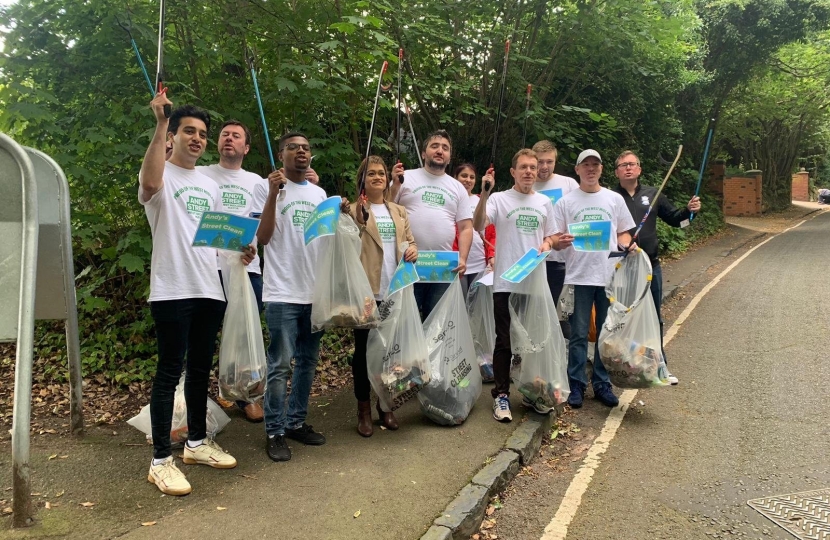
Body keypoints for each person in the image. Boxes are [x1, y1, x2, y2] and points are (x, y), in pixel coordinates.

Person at [139, 92, 244, 496]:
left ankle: (197, 444)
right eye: (189, 131)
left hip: (208, 286)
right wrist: (160, 123)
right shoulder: (161, 173)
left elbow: (215, 237)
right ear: (174, 136)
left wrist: (240, 248)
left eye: (202, 133)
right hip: (171, 288)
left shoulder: (207, 182)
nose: (198, 138)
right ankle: (161, 461)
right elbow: (149, 184)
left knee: (201, 370)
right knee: (169, 372)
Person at [255, 132, 330, 462]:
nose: (301, 151)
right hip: (282, 292)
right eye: (293, 148)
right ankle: (274, 431)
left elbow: (328, 241)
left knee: (307, 363)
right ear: (281, 154)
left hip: (315, 292)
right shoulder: (267, 187)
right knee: (281, 364)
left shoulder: (319, 193)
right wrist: (273, 194)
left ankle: (296, 421)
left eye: (306, 147)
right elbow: (263, 237)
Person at [473, 149, 557, 422]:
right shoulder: (499, 199)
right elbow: (477, 225)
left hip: (534, 283)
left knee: (534, 343)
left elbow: (550, 237)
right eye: (523, 167)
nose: (529, 172)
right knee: (504, 342)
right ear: (513, 172)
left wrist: (547, 244)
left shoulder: (544, 202)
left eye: (533, 167)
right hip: (506, 283)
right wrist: (484, 193)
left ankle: (533, 393)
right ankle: (501, 396)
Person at [551, 149, 636, 409]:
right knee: (577, 334)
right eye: (585, 165)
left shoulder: (613, 199)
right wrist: (560, 241)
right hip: (578, 276)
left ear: (601, 169)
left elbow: (623, 233)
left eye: (595, 165)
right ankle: (576, 383)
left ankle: (601, 383)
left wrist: (627, 245)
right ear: (577, 170)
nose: (590, 169)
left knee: (605, 333)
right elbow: (554, 240)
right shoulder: (565, 203)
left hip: (608, 276)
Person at [197, 120, 266, 422]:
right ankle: (197, 400)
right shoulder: (200, 174)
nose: (229, 139)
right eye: (225, 134)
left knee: (244, 334)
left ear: (246, 148)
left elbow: (266, 224)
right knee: (203, 335)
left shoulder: (257, 182)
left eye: (237, 136)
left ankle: (245, 396)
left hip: (248, 269)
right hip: (207, 269)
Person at [612, 151, 701, 385]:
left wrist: (689, 212)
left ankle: (659, 367)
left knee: (654, 318)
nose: (628, 168)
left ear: (639, 169)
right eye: (623, 165)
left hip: (650, 267)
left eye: (632, 164)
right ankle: (624, 366)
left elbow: (676, 219)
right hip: (619, 268)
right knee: (622, 319)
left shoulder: (653, 194)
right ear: (616, 172)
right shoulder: (609, 197)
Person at [348, 156, 418, 437]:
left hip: (395, 289)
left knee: (391, 353)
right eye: (371, 173)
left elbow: (410, 242)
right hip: (368, 292)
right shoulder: (354, 210)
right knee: (364, 354)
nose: (377, 177)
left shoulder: (399, 211)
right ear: (362, 180)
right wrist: (357, 220)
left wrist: (414, 250)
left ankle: (385, 404)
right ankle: (363, 408)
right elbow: (347, 245)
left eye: (381, 173)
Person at [390, 130, 473, 317]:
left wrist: (463, 258)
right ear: (423, 152)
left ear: (449, 157)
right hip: (408, 263)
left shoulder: (457, 187)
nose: (439, 151)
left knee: (436, 325)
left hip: (443, 267)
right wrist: (394, 185)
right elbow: (386, 210)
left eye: (445, 148)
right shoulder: (405, 177)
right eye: (434, 146)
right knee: (404, 322)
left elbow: (466, 227)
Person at [531, 140, 579, 338]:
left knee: (562, 316)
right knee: (536, 314)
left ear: (555, 161)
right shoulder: (526, 182)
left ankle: (562, 359)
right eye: (540, 162)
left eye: (549, 162)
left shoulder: (568, 184)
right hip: (533, 261)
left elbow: (581, 212)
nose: (544, 167)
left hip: (563, 261)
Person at [453, 163, 496, 296]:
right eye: (464, 176)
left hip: (479, 262)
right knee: (459, 306)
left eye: (472, 177)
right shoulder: (450, 200)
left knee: (476, 308)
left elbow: (491, 233)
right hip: (457, 262)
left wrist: (491, 255)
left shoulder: (481, 200)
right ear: (455, 178)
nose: (468, 180)